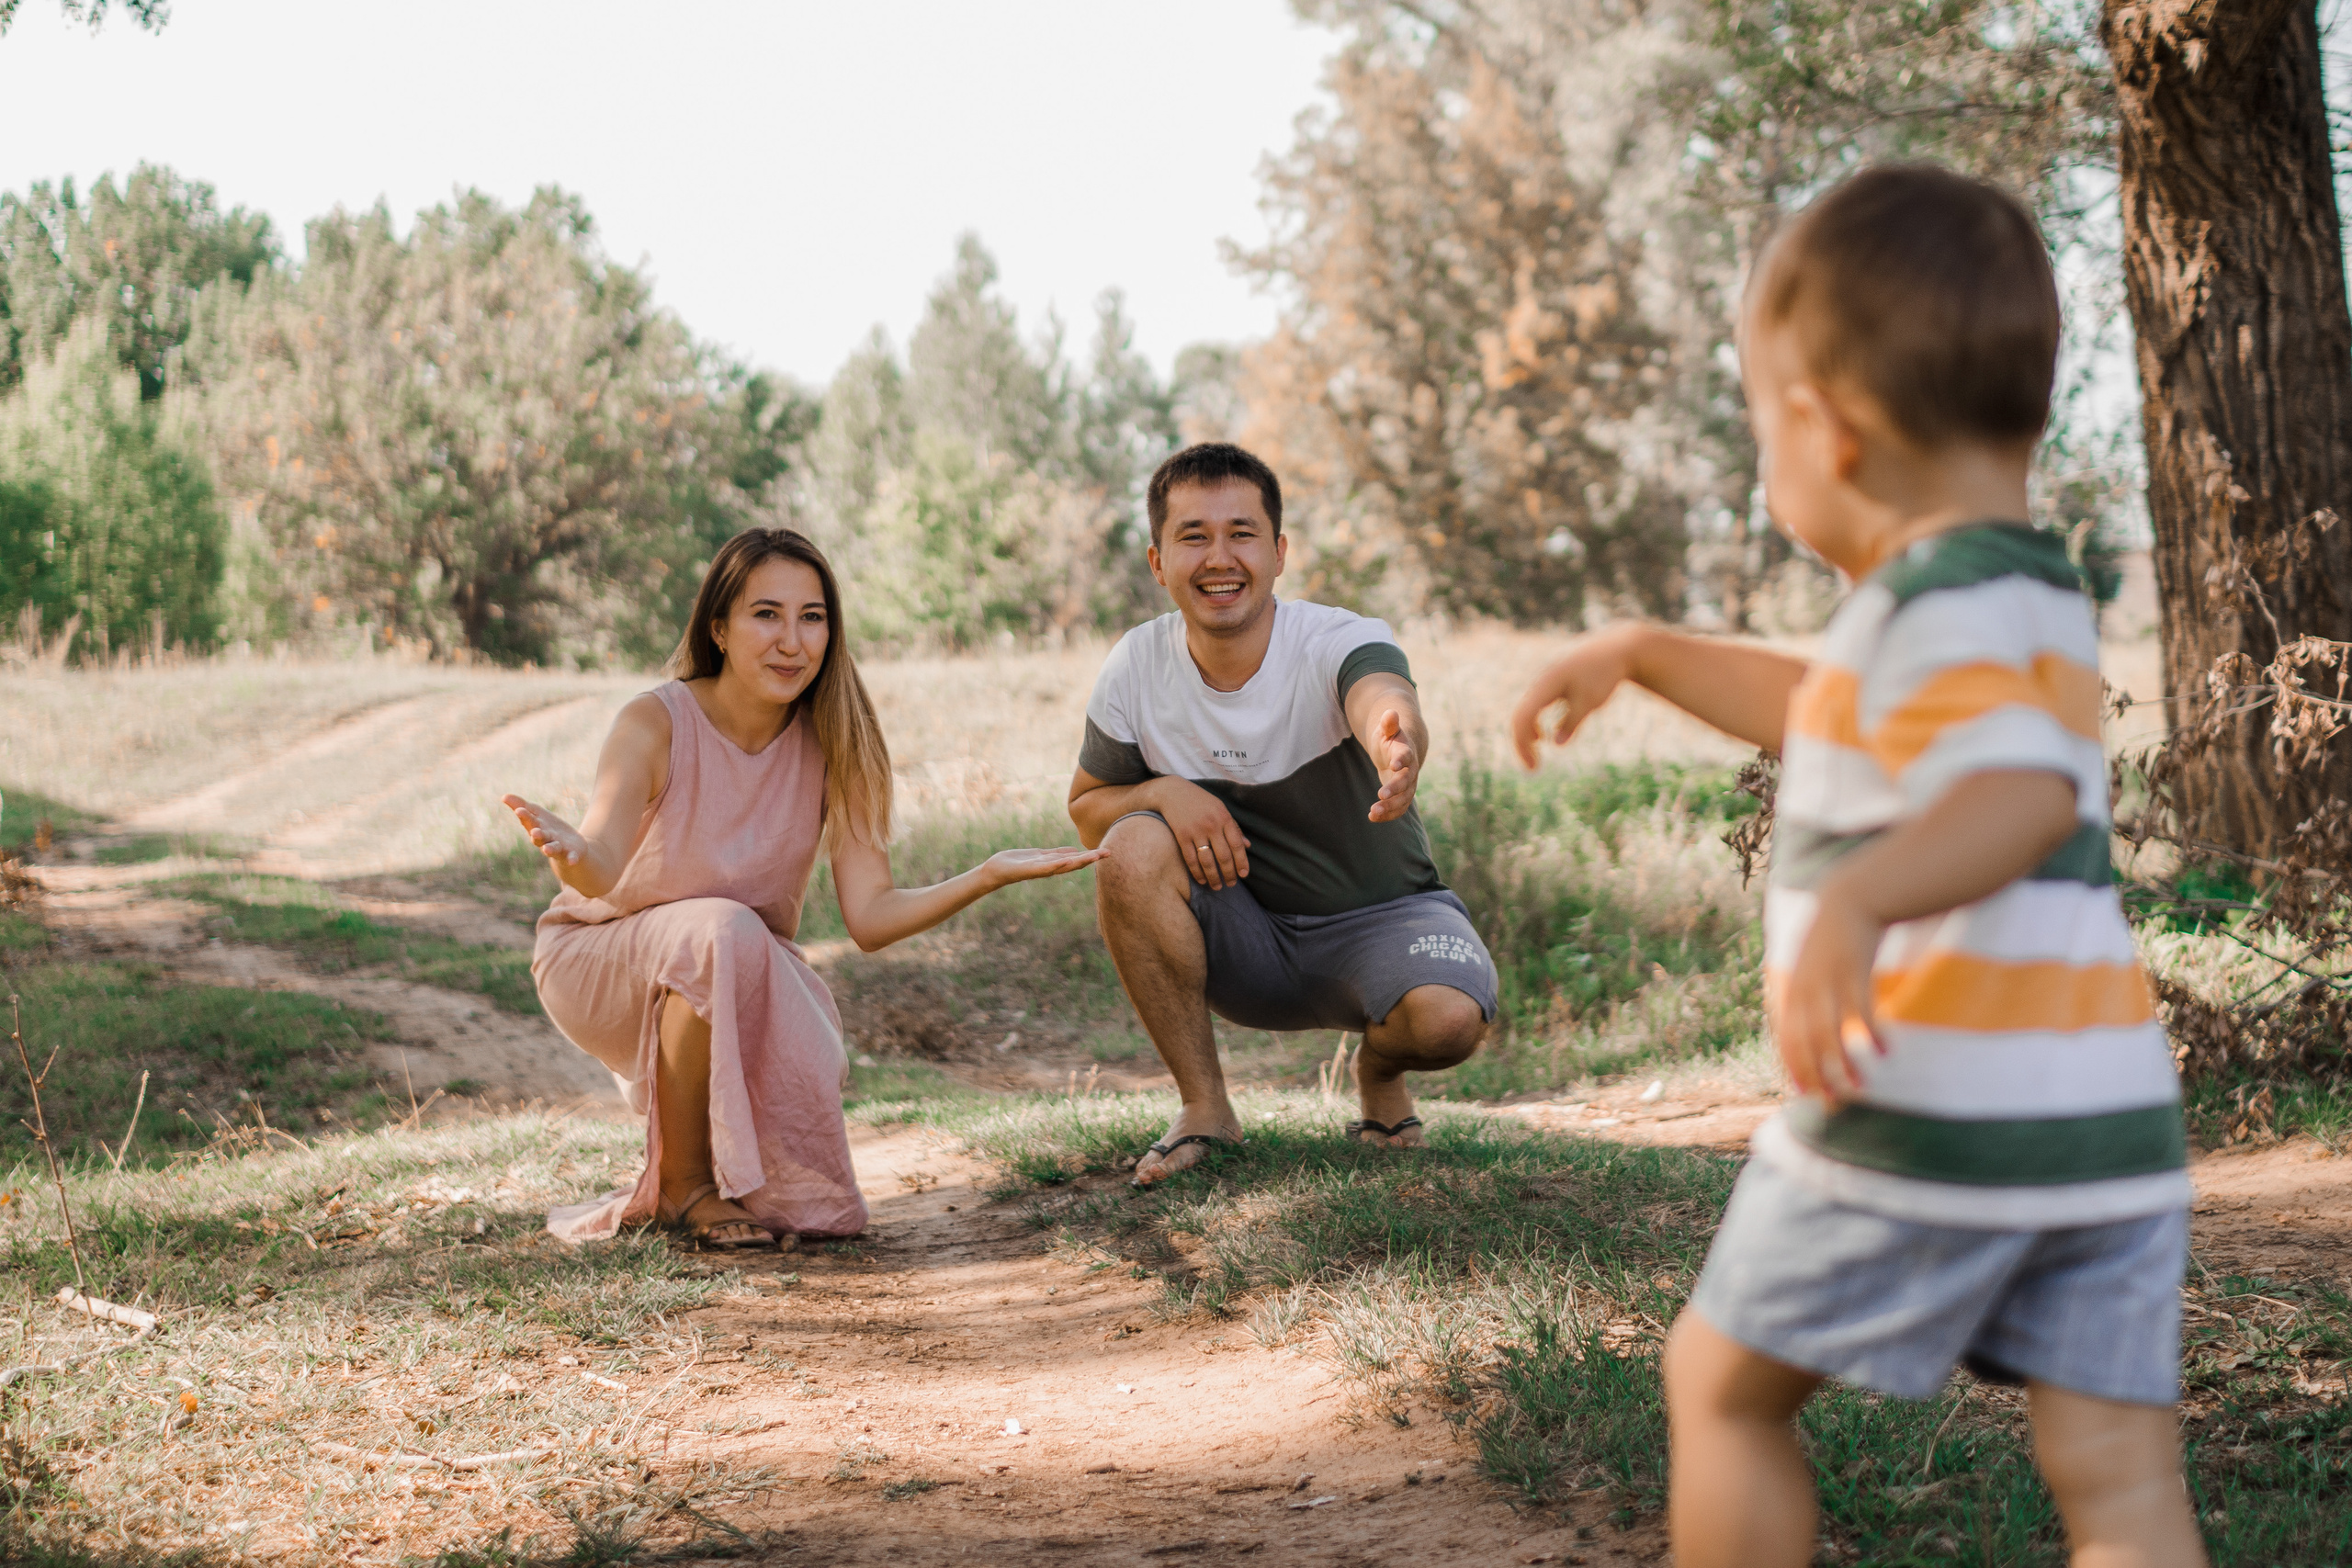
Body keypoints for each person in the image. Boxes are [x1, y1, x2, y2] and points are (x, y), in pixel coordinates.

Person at [1511, 165, 2203, 1568]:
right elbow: (1832, 703)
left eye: (1761, 423)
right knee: (2118, 1475)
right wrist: (1644, 652)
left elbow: (2013, 786)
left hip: (1927, 1107)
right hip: (2108, 1132)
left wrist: (1863, 899)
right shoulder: (2021, 590)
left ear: (1822, 434)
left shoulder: (1932, 602)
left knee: (1720, 1383)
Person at [503, 528, 1102, 1249]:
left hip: (731, 956)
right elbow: (600, 866)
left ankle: (727, 1179)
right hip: (598, 957)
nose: (792, 640)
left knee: (765, 987)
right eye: (767, 614)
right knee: (720, 930)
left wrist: (985, 874)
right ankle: (685, 1187)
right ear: (718, 627)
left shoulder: (837, 738)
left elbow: (871, 917)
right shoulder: (654, 721)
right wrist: (569, 857)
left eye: (812, 617)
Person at [1069, 442, 1495, 1185]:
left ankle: (1380, 1075)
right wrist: (1161, 792)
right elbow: (1086, 812)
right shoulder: (1135, 666)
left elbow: (1383, 698)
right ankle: (1205, 1109)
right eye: (1193, 535)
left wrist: (1397, 739)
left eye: (1242, 533)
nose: (1219, 557)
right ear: (1157, 561)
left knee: (1449, 1019)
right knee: (1131, 844)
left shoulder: (1337, 637)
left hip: (1379, 921)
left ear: (1279, 551)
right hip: (1248, 945)